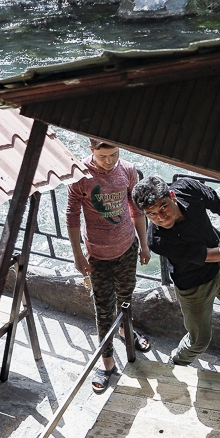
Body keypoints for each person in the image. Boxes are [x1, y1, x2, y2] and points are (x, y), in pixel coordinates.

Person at [132, 175, 220, 376]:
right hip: (194, 286)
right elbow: (206, 255)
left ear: (172, 195)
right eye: (152, 214)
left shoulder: (188, 188)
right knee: (199, 340)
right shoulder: (157, 240)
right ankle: (174, 364)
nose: (161, 217)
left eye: (163, 207)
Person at [67, 138, 151, 392]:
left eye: (113, 154)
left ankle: (127, 331)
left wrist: (144, 244)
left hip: (126, 247)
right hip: (97, 254)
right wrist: (78, 254)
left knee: (126, 298)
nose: (109, 161)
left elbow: (136, 210)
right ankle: (108, 363)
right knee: (103, 309)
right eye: (103, 156)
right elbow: (72, 214)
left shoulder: (128, 170)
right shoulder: (80, 176)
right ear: (91, 151)